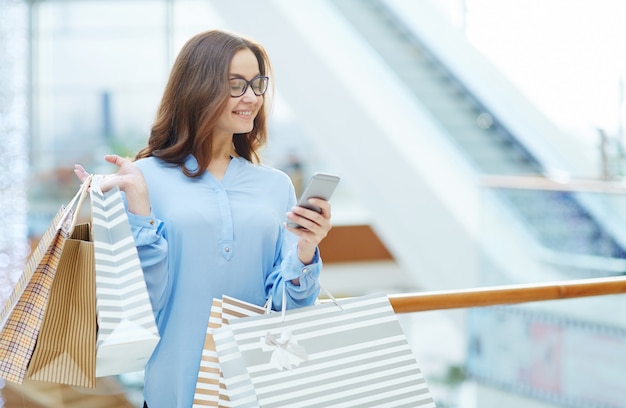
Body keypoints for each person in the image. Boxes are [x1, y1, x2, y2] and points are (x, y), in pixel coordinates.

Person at [74, 29, 332, 408]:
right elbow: (142, 303)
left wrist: (306, 250)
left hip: (255, 392)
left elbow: (285, 312)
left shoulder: (275, 187)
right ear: (198, 88)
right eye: (235, 85)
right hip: (173, 393)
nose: (252, 97)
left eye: (257, 84)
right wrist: (141, 210)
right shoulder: (141, 179)